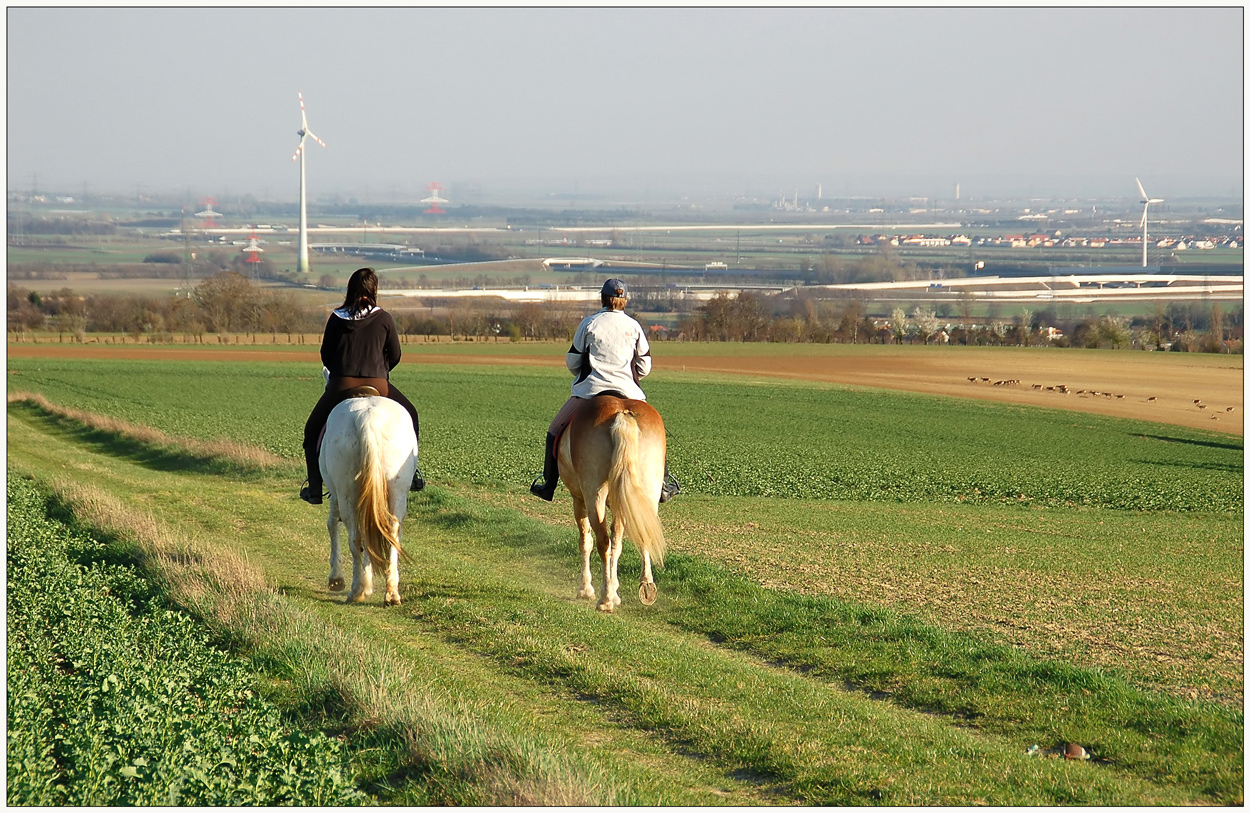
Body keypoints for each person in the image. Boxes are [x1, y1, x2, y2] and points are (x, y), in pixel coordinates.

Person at [530, 278, 680, 503]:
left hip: (590, 392)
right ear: (624, 301)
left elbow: (572, 362)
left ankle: (548, 485)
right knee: (657, 431)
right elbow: (645, 367)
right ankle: (663, 486)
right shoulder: (634, 326)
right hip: (630, 393)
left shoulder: (589, 323)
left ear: (602, 298)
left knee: (554, 431)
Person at [300, 267, 423, 504]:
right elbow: (395, 354)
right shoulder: (384, 318)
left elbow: (325, 354)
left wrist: (340, 370)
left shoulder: (337, 318)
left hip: (341, 384)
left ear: (350, 289)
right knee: (412, 415)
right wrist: (380, 370)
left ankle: (314, 489)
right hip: (379, 383)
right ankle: (413, 473)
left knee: (311, 431)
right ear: (374, 289)